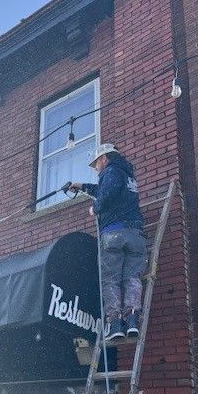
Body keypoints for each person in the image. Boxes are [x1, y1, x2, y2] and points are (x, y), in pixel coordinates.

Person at [67, 143, 147, 340]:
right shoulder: (127, 174)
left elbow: (107, 193)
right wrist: (82, 186)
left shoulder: (110, 171)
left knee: (111, 279)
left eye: (96, 164)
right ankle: (132, 319)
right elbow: (108, 188)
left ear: (104, 158)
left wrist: (96, 208)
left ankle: (115, 322)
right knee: (132, 277)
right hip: (135, 234)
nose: (96, 168)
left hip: (114, 233)